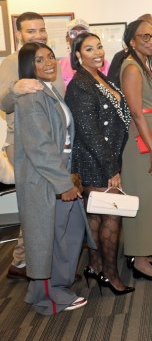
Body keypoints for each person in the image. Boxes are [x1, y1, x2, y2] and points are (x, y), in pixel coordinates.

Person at [13, 42, 95, 314]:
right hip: (46, 180)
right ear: (29, 66)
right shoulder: (30, 96)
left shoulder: (47, 90)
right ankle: (48, 298)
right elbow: (40, 147)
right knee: (49, 240)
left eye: (50, 56)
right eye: (39, 60)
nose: (48, 62)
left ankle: (54, 286)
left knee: (65, 234)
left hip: (60, 171)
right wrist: (63, 184)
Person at [65, 32, 134, 295]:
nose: (97, 53)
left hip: (106, 156)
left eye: (100, 47)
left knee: (95, 215)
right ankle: (110, 274)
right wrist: (111, 169)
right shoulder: (80, 84)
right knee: (111, 217)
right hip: (95, 160)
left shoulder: (99, 78)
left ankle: (94, 266)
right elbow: (90, 132)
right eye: (89, 49)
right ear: (78, 55)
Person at [0, 12, 65, 280]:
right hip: (25, 144)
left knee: (42, 208)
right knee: (36, 209)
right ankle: (24, 263)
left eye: (41, 30)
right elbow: (3, 102)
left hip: (50, 141)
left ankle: (29, 260)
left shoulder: (49, 59)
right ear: (18, 35)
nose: (37, 35)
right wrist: (16, 87)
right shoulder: (14, 61)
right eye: (30, 31)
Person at [119, 20, 152, 281]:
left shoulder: (143, 64)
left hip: (150, 138)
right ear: (131, 41)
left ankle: (144, 252)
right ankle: (139, 260)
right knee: (141, 199)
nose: (151, 40)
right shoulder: (131, 68)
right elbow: (137, 113)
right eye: (144, 36)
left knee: (150, 199)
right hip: (140, 144)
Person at [58, 19, 110, 87]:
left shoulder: (104, 64)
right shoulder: (59, 66)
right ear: (67, 38)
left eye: (83, 33)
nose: (78, 37)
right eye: (73, 33)